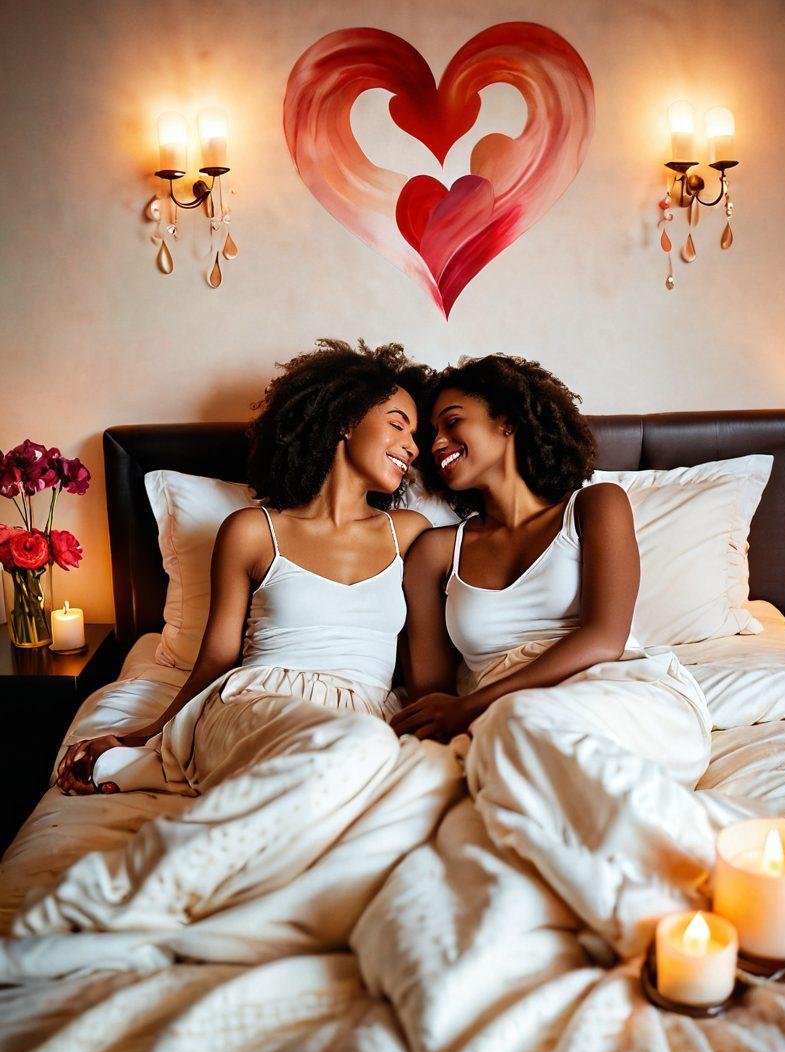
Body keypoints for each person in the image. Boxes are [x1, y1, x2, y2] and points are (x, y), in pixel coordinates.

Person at [10, 341, 462, 965]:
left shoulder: (411, 534)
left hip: (366, 712)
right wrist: (150, 732)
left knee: (388, 778)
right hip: (254, 700)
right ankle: (111, 898)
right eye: (398, 425)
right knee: (358, 753)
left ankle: (232, 910)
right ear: (342, 421)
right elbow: (216, 659)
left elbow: (432, 666)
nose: (412, 446)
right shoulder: (253, 531)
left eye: (416, 436)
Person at [391, 354, 714, 957]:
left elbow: (603, 637)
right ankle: (641, 916)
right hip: (503, 726)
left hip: (624, 697)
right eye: (428, 432)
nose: (435, 442)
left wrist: (477, 709)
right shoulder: (437, 551)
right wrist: (453, 720)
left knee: (515, 725)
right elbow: (435, 691)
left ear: (508, 422)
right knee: (469, 812)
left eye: (451, 422)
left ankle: (710, 866)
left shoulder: (595, 506)